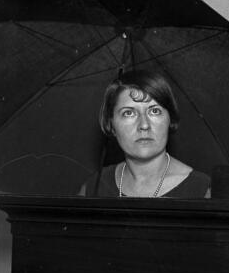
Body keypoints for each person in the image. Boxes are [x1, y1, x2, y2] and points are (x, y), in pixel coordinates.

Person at [79, 70, 212, 198]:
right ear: (111, 124)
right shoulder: (94, 188)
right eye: (129, 113)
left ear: (170, 119)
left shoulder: (203, 190)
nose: (144, 125)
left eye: (154, 111)